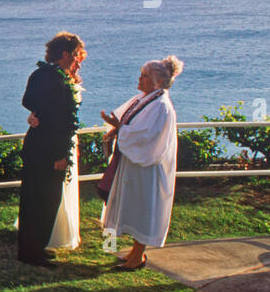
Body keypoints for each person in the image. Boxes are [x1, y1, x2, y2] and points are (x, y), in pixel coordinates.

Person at [100, 57, 184, 270]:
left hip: (147, 168)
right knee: (132, 207)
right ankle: (134, 252)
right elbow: (126, 122)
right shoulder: (144, 99)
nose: (140, 78)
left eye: (145, 76)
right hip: (133, 164)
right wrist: (116, 128)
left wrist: (120, 129)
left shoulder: (161, 106)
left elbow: (148, 137)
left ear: (156, 81)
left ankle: (138, 256)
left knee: (143, 209)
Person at [17, 33, 85, 267]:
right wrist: (60, 155)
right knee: (47, 200)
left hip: (35, 143)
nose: (77, 58)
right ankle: (34, 250)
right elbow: (61, 122)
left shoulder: (39, 74)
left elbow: (27, 101)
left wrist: (36, 114)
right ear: (65, 54)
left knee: (31, 198)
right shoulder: (59, 82)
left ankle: (28, 247)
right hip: (50, 148)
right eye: (75, 54)